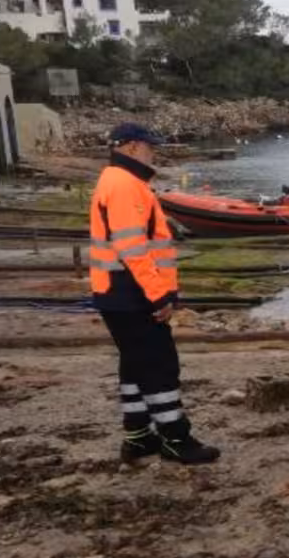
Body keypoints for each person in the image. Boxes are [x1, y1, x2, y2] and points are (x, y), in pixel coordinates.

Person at [89, 122, 220, 465]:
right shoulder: (124, 184)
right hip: (130, 291)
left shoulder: (120, 180)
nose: (154, 153)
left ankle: (138, 436)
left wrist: (164, 289)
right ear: (132, 146)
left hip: (118, 290)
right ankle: (175, 438)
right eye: (150, 147)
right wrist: (158, 295)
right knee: (159, 365)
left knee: (135, 363)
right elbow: (132, 248)